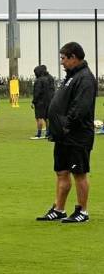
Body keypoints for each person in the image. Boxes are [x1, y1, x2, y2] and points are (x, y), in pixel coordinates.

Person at [36, 42, 95, 224]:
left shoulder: (84, 78)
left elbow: (80, 108)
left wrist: (66, 124)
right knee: (61, 172)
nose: (61, 62)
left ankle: (82, 211)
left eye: (63, 58)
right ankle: (59, 209)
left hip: (77, 135)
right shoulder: (71, 76)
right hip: (63, 135)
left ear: (74, 57)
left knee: (79, 173)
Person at [31, 65, 51, 139]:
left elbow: (37, 92)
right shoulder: (47, 79)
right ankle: (48, 133)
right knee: (46, 117)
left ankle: (39, 134)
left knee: (39, 117)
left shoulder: (38, 81)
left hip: (39, 102)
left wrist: (33, 101)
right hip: (47, 101)